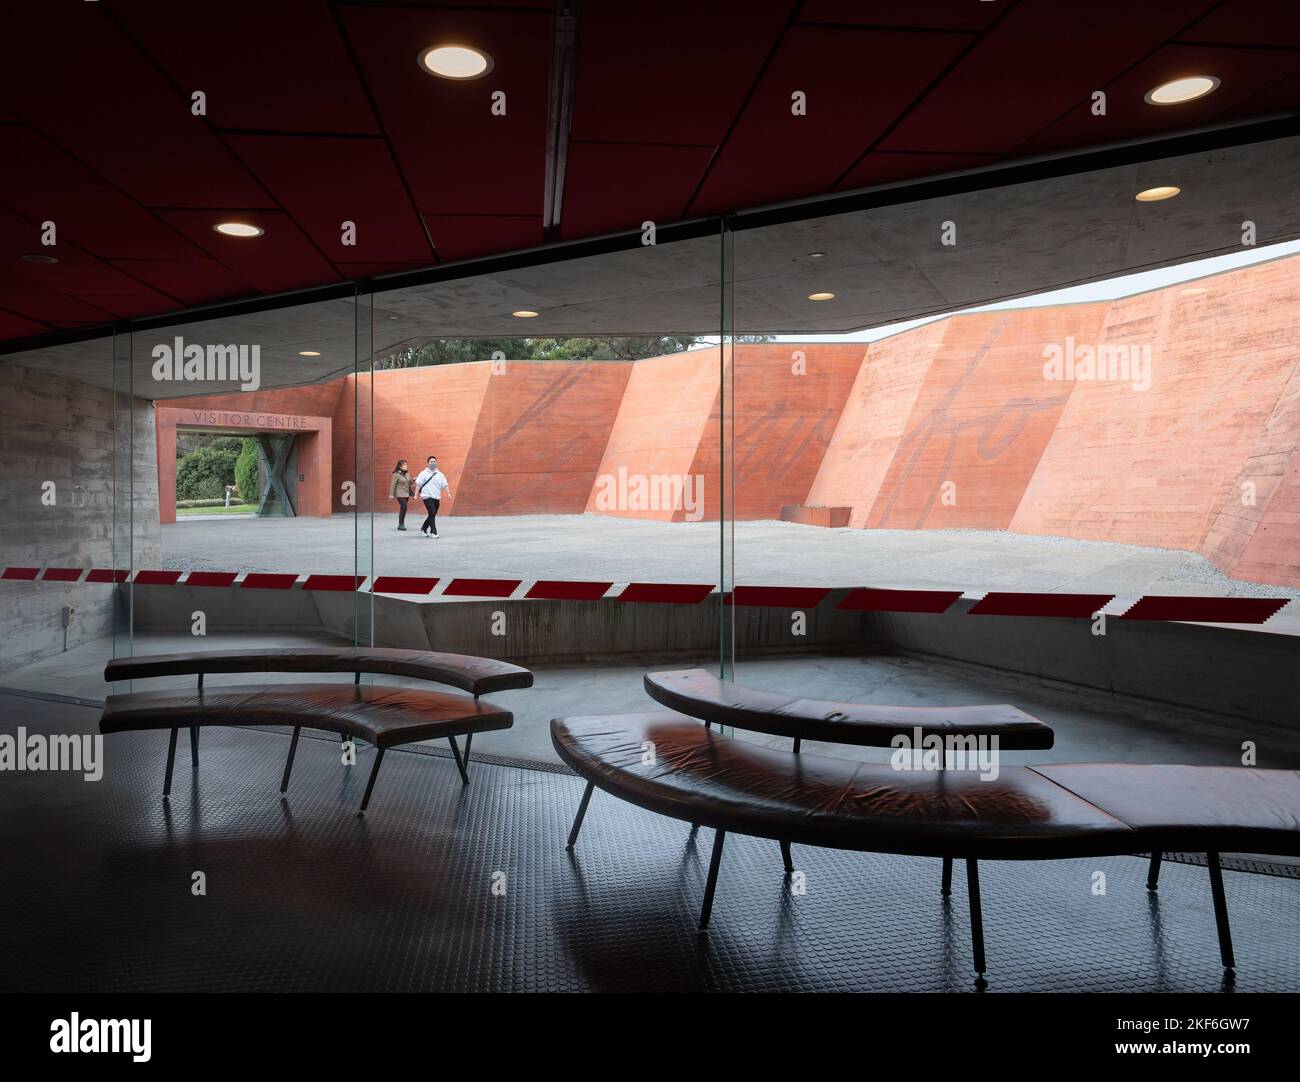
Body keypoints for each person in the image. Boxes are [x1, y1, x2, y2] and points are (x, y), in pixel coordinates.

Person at [414, 455, 450, 538]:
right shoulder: (423, 473)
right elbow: (418, 484)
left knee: (432, 514)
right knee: (432, 513)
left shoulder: (440, 474)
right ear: (428, 463)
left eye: (434, 462)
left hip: (436, 497)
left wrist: (448, 492)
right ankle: (433, 532)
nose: (433, 463)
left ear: (436, 463)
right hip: (426, 497)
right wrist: (415, 495)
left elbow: (444, 484)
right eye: (431, 462)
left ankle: (423, 529)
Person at [388, 459, 413, 530]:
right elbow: (392, 485)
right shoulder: (396, 474)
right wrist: (391, 495)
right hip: (400, 494)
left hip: (406, 494)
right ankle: (401, 524)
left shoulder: (407, 474)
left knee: (403, 508)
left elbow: (408, 483)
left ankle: (401, 524)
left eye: (406, 464)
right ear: (399, 466)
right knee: (404, 507)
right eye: (404, 465)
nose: (406, 466)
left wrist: (413, 480)